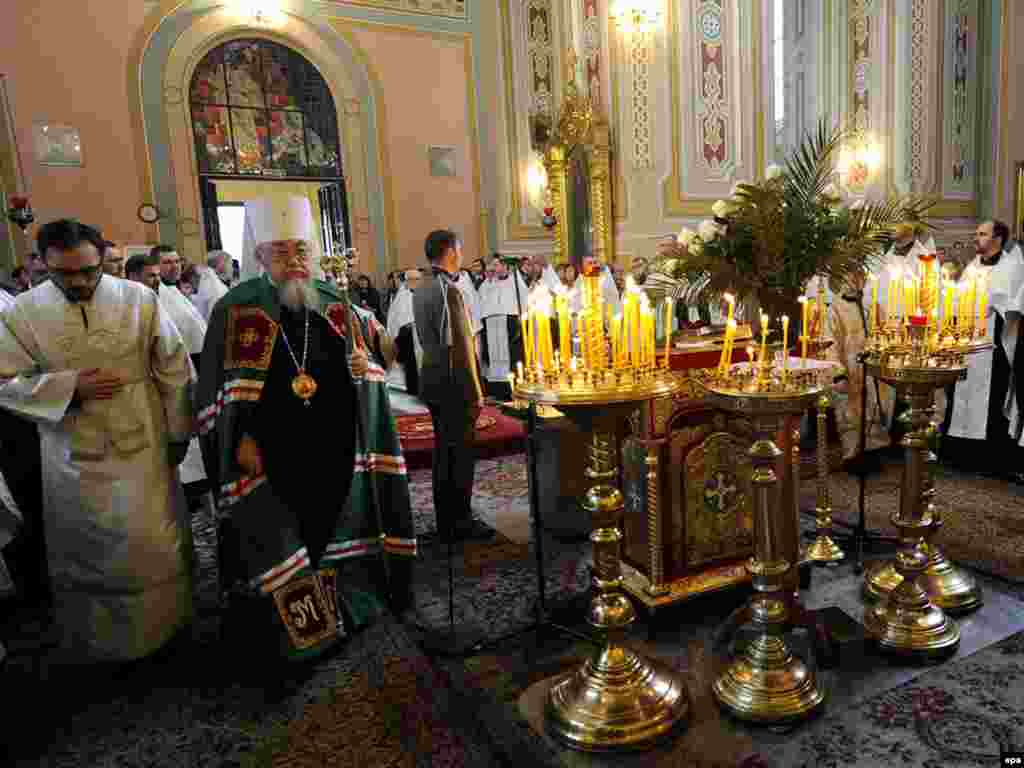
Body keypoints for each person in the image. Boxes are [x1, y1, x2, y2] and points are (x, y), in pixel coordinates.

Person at [197, 197, 415, 661]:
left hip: (334, 443)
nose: (294, 262)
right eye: (281, 252)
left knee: (334, 524)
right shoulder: (235, 309)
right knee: (282, 530)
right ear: (259, 257)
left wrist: (367, 362)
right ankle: (291, 626)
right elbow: (222, 389)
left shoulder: (334, 301)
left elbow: (382, 358)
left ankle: (342, 610)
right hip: (270, 447)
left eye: (300, 250)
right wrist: (240, 440)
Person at [0, 219, 194, 661]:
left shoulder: (139, 299)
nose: (81, 282)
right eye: (65, 274)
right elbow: (3, 381)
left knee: (152, 540)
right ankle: (99, 644)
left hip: (143, 439)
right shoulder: (22, 312)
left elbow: (174, 369)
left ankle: (166, 633)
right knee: (88, 545)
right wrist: (67, 389)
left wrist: (179, 432)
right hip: (71, 452)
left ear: (103, 258)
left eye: (91, 271)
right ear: (44, 265)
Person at [413, 230, 493, 540]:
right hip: (453, 384)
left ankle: (446, 518)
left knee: (444, 453)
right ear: (449, 252)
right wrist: (475, 392)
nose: (461, 256)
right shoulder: (449, 291)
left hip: (432, 379)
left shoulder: (421, 288)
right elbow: (460, 346)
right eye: (459, 250)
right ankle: (459, 521)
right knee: (459, 456)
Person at [943, 220, 1024, 480]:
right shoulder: (972, 266)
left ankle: (990, 459)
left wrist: (991, 301)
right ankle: (960, 454)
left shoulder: (1012, 266)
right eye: (976, 233)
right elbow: (958, 298)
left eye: (982, 234)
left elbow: (1012, 303)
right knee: (962, 396)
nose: (976, 237)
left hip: (993, 344)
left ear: (998, 238)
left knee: (992, 398)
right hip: (968, 344)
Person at [126, 252, 207, 366]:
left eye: (158, 275)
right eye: (152, 276)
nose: (158, 280)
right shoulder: (126, 303)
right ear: (134, 277)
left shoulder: (160, 294)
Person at [478, 255, 528, 399]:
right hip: (492, 321)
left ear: (506, 267)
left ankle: (511, 388)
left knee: (509, 354)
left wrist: (521, 317)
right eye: (494, 265)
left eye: (498, 265)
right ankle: (496, 390)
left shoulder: (515, 281)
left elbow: (523, 299)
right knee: (494, 355)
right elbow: (481, 300)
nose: (495, 268)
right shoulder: (487, 283)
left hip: (509, 320)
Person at [387, 269, 421, 395]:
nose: (415, 282)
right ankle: (414, 389)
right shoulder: (402, 295)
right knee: (411, 364)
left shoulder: (422, 293)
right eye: (412, 280)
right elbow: (398, 317)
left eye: (417, 279)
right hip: (408, 334)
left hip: (420, 334)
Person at [192, 250, 231, 321]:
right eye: (229, 263)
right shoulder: (213, 283)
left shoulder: (209, 278)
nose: (230, 267)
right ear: (220, 262)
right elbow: (215, 313)